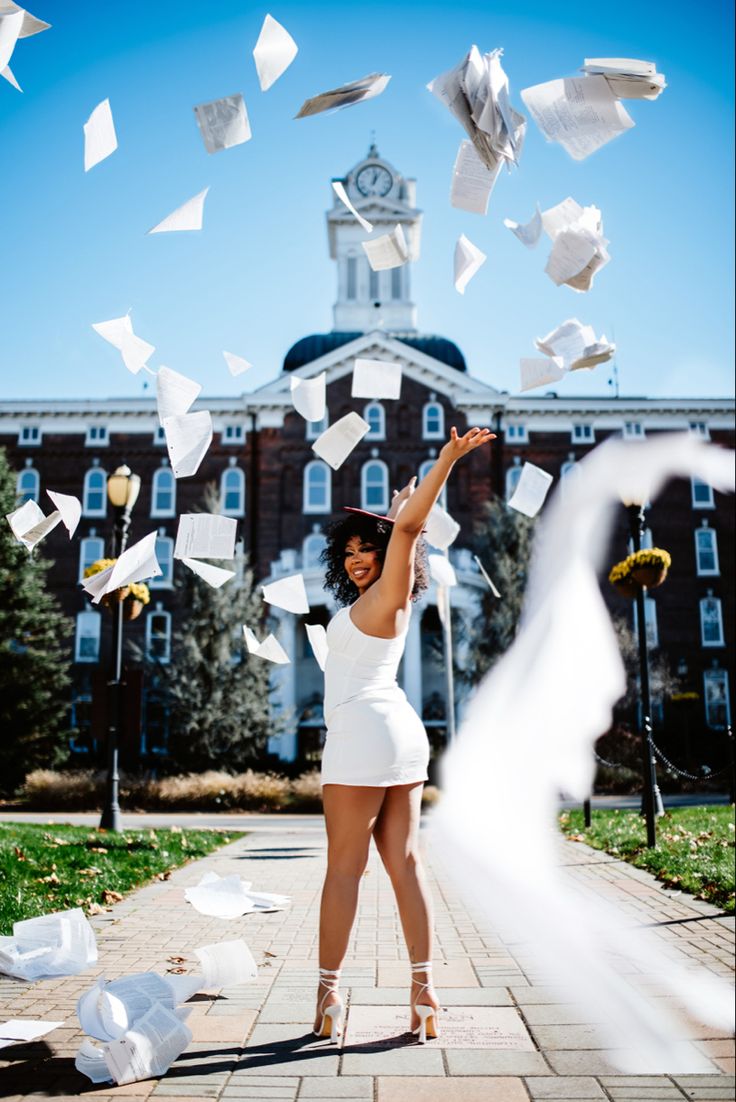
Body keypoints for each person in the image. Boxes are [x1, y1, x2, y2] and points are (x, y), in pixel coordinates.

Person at [314, 425, 495, 1044]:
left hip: (362, 734)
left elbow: (411, 534)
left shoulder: (391, 593)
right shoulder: (386, 601)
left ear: (394, 558)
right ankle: (423, 994)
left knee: (344, 870)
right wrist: (392, 515)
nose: (358, 558)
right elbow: (402, 533)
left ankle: (328, 995)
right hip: (398, 732)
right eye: (350, 552)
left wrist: (446, 461)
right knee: (406, 865)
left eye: (370, 549)